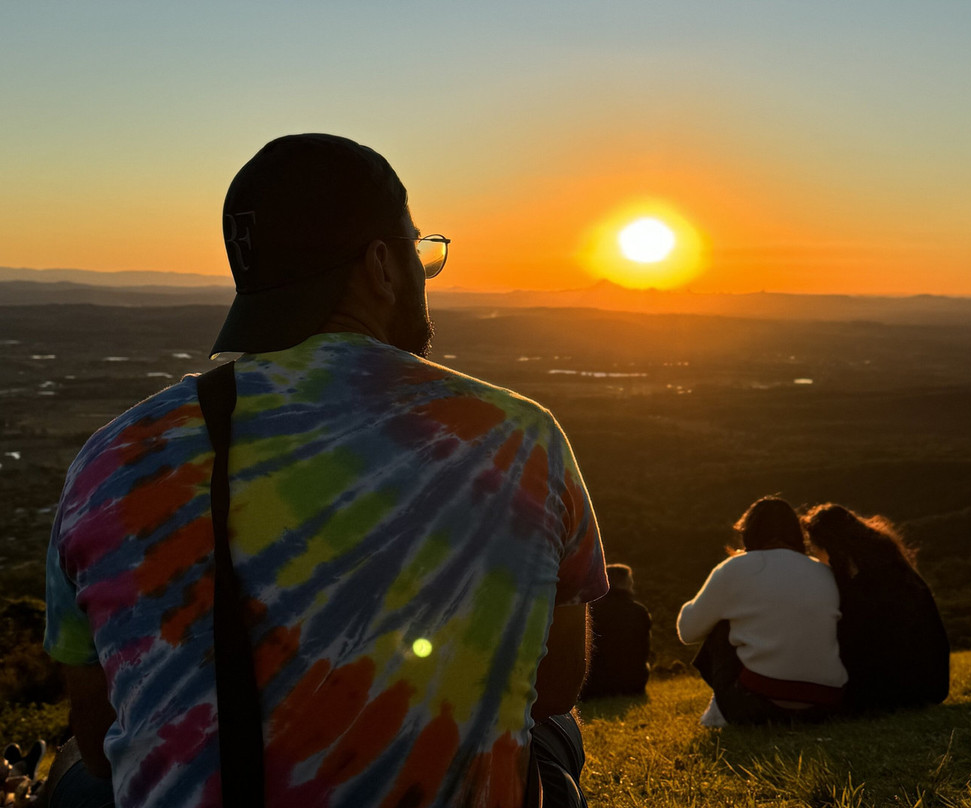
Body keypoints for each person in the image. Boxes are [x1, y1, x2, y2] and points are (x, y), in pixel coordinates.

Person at [44, 134, 608, 808]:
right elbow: (555, 686)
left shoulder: (109, 461)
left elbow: (101, 730)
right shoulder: (522, 438)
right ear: (381, 264)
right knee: (557, 740)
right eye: (419, 250)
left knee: (76, 773)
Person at [676, 497, 846, 727]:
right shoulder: (824, 571)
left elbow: (688, 632)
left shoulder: (734, 569)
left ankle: (717, 713)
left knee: (721, 626)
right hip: (825, 704)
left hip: (759, 704)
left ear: (749, 531)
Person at [803, 504, 950, 712]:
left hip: (886, 695)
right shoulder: (898, 571)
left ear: (829, 547)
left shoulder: (861, 589)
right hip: (929, 687)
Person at [580, 564, 651, 700]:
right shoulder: (639, 612)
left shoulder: (590, 611)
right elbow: (644, 649)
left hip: (594, 687)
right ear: (627, 583)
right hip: (633, 685)